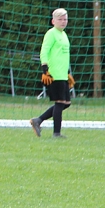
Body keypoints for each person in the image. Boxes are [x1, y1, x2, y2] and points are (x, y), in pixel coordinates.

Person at [29, 8, 74, 138]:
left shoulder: (64, 35)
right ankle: (56, 133)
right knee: (59, 102)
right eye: (60, 19)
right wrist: (45, 69)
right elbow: (44, 51)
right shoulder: (51, 33)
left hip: (62, 75)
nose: (63, 21)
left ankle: (38, 120)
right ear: (53, 21)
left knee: (66, 103)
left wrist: (67, 73)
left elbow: (62, 56)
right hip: (53, 74)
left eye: (65, 19)